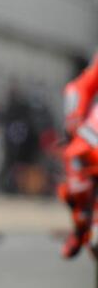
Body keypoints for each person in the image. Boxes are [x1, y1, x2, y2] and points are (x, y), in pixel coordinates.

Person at [59, 55, 98, 258]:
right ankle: (80, 227)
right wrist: (74, 115)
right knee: (75, 160)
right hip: (93, 134)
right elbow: (81, 85)